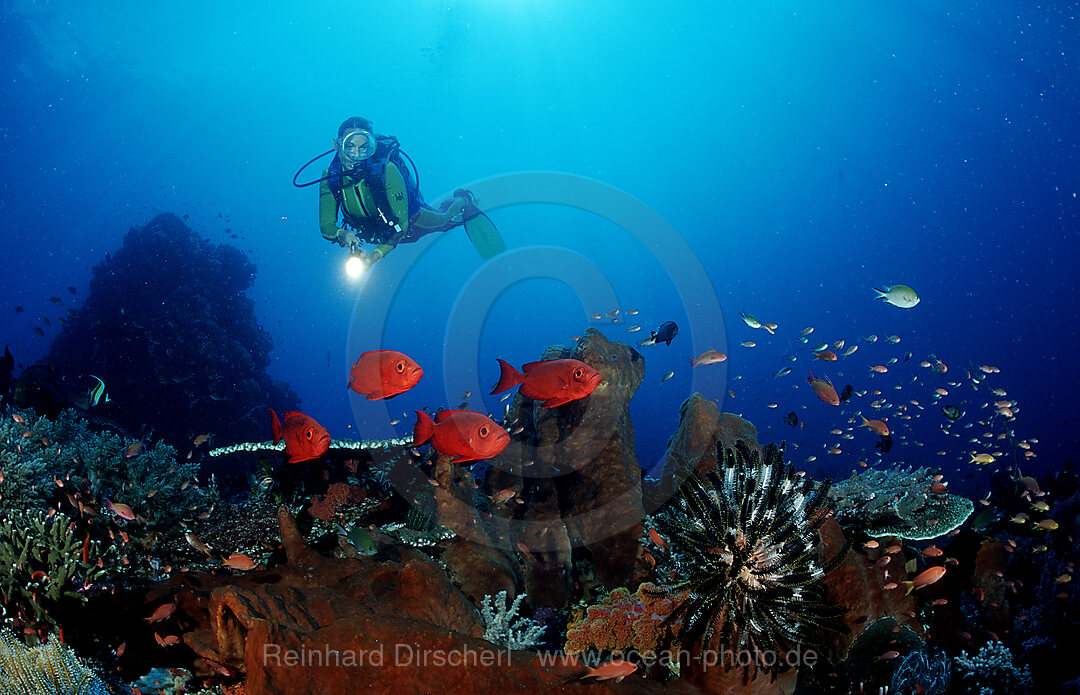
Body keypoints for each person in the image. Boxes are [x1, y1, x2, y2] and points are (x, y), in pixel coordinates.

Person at [317, 116, 505, 265]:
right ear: (336, 145)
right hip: (376, 232)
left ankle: (463, 200)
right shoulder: (330, 177)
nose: (356, 156)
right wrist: (343, 234)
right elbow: (326, 224)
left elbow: (403, 224)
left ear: (371, 148)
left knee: (444, 219)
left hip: (411, 220)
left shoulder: (387, 170)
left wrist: (375, 256)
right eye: (349, 147)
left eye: (364, 148)